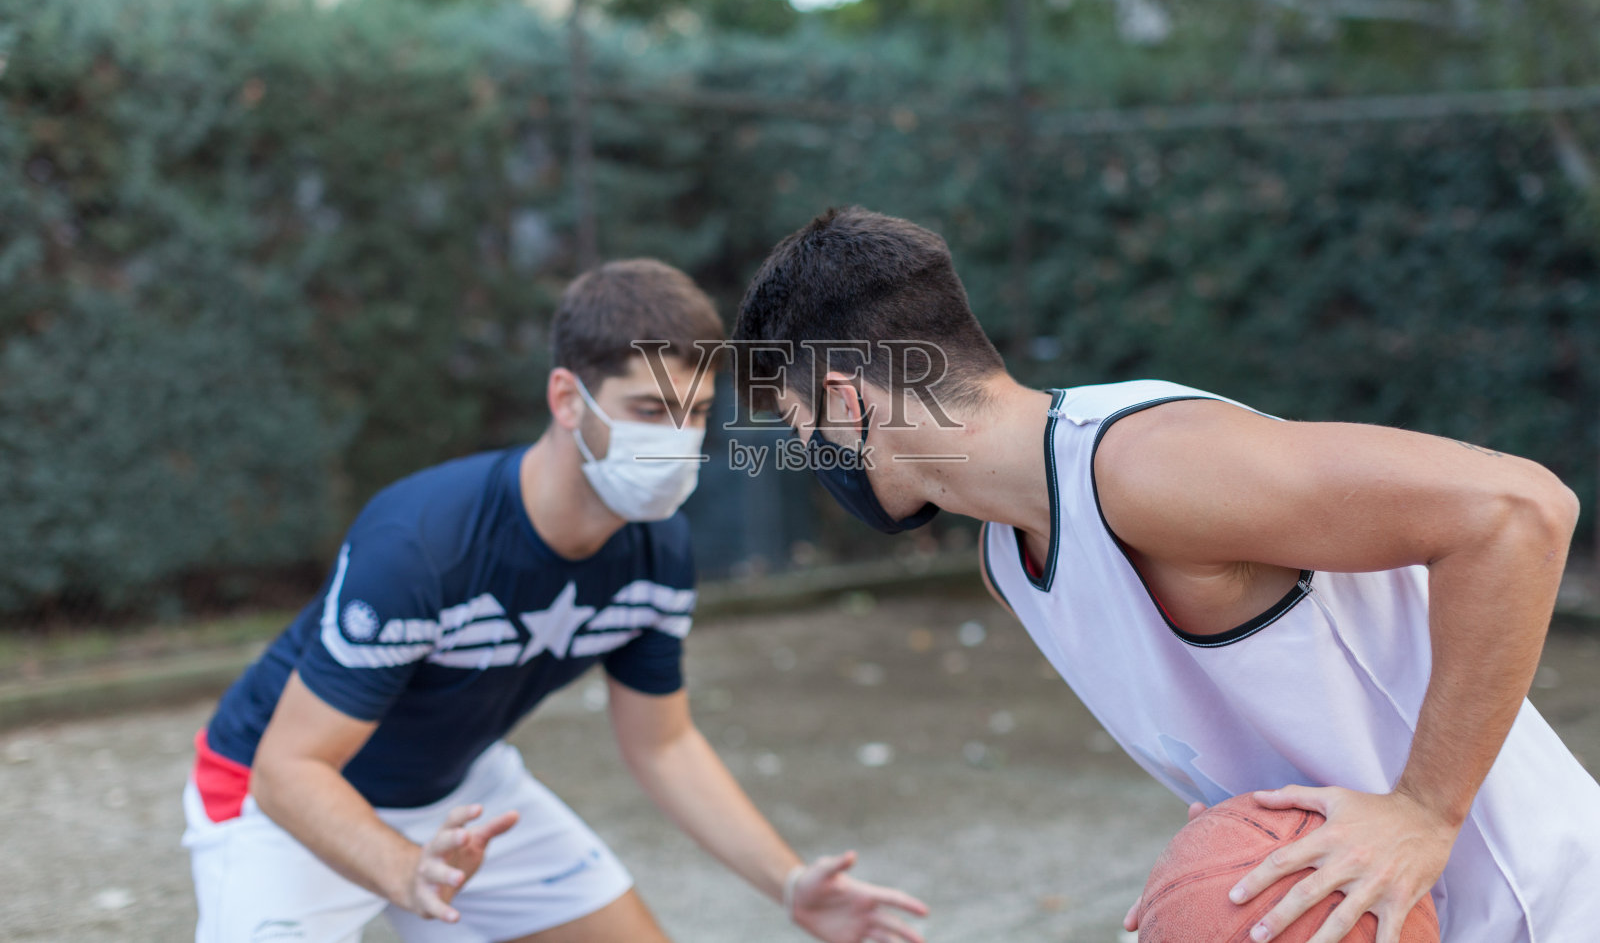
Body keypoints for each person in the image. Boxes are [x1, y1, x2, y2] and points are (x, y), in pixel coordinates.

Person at [730, 206, 1600, 943]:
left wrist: (1424, 808)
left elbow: (1519, 511)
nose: (809, 452)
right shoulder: (1010, 555)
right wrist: (1223, 842)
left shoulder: (1148, 465)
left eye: (800, 417)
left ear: (848, 398)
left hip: (1538, 907)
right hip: (1377, 907)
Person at [182, 258, 928, 943]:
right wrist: (404, 867)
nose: (678, 442)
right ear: (567, 399)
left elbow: (662, 743)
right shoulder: (421, 541)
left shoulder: (656, 548)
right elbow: (289, 770)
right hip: (275, 799)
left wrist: (790, 882)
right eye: (647, 409)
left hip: (458, 792)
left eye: (694, 413)